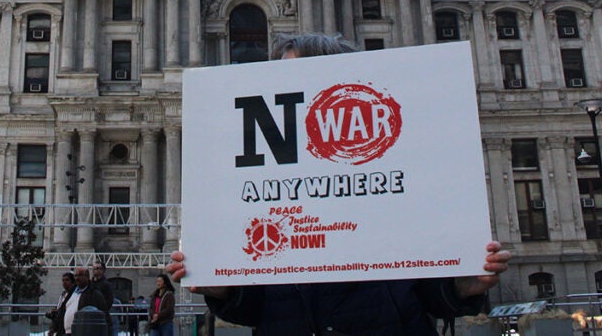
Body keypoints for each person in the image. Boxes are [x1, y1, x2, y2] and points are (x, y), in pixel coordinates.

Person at [165, 33, 514, 336]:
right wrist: (224, 288)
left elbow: (430, 295)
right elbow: (256, 310)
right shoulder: (262, 192)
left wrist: (463, 286)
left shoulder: (400, 182)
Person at [54, 266, 110, 335]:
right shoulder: (71, 292)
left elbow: (105, 316)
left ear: (87, 276)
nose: (77, 278)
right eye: (75, 276)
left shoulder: (94, 294)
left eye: (80, 275)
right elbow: (63, 312)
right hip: (67, 333)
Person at [47, 272, 75, 336]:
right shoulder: (63, 295)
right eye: (63, 280)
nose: (64, 282)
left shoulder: (74, 295)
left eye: (67, 280)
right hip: (60, 327)